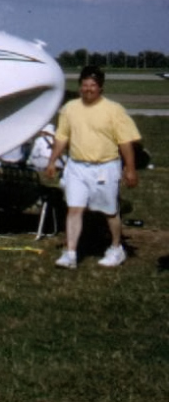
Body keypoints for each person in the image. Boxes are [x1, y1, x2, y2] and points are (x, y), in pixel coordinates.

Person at [43, 65, 141, 269]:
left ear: (101, 88)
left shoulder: (114, 110)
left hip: (105, 167)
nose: (88, 89)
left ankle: (116, 248)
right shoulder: (70, 109)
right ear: (80, 87)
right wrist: (52, 161)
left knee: (109, 211)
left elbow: (125, 142)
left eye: (93, 85)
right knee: (74, 209)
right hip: (77, 167)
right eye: (85, 85)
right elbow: (62, 137)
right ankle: (70, 253)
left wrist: (129, 168)